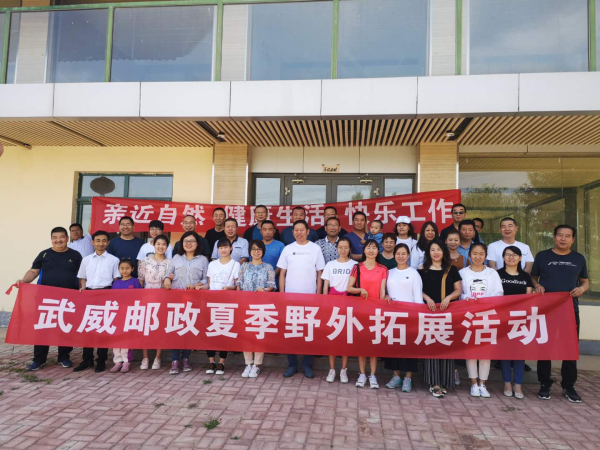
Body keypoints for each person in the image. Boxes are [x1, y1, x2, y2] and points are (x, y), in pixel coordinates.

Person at [531, 225, 589, 403]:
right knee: (545, 346)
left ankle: (568, 386)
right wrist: (537, 285)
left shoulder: (578, 258)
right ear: (554, 237)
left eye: (567, 236)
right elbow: (533, 277)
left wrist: (581, 289)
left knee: (569, 348)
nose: (563, 239)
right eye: (560, 235)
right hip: (546, 309)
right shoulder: (542, 256)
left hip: (569, 309)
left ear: (573, 239)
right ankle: (544, 383)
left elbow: (585, 281)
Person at [16, 227, 82, 371]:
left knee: (65, 327)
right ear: (51, 239)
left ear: (67, 238)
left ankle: (64, 357)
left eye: (62, 237)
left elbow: (82, 275)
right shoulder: (44, 254)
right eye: (55, 237)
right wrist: (24, 281)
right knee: (42, 328)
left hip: (68, 300)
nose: (58, 240)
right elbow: (33, 271)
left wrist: (82, 288)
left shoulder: (76, 255)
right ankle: (39, 359)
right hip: (45, 300)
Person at [277, 220, 325, 378]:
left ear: (307, 231)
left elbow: (319, 273)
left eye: (301, 230)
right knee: (291, 331)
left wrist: (318, 294)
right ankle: (292, 364)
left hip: (310, 296)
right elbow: (282, 273)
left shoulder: (315, 248)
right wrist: (282, 294)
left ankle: (307, 365)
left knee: (309, 331)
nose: (299, 233)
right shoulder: (288, 249)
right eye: (296, 230)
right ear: (292, 232)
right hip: (290, 297)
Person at [418, 239, 462, 398]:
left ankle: (444, 381)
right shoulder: (422, 270)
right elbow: (417, 289)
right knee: (431, 346)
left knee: (445, 345)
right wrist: (427, 298)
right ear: (428, 253)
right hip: (428, 313)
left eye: (439, 249)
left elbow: (458, 290)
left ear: (444, 252)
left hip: (447, 313)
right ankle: (434, 383)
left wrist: (448, 298)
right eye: (432, 250)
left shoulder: (451, 269)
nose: (436, 253)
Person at [459, 243, 504, 398]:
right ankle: (473, 383)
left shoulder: (492, 273)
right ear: (469, 255)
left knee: (485, 351)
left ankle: (483, 383)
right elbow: (459, 293)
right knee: (471, 351)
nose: (477, 257)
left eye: (481, 254)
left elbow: (499, 293)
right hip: (469, 317)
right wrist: (466, 297)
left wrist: (483, 300)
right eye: (474, 254)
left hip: (487, 316)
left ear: (485, 256)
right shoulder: (462, 273)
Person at [74, 230, 120, 373]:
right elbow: (82, 277)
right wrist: (83, 288)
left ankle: (101, 360)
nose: (101, 243)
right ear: (93, 242)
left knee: (103, 328)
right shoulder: (86, 259)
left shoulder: (114, 260)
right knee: (88, 328)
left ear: (108, 242)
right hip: (89, 294)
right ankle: (87, 359)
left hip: (106, 294)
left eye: (104, 240)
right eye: (98, 240)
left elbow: (116, 279)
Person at [164, 231, 209, 375]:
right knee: (175, 329)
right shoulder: (176, 258)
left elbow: (206, 280)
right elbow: (168, 274)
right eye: (186, 241)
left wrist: (198, 284)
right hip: (176, 300)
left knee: (189, 328)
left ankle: (186, 358)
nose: (189, 243)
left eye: (192, 241)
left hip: (194, 300)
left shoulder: (203, 260)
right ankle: (174, 360)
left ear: (197, 244)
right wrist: (167, 279)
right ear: (182, 243)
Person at [347, 239, 388, 389]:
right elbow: (349, 288)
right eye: (368, 248)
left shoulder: (383, 269)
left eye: (374, 248)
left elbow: (382, 291)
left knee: (373, 345)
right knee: (362, 344)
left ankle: (373, 375)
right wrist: (360, 290)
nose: (371, 250)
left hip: (376, 311)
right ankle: (362, 374)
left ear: (378, 251)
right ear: (364, 250)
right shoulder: (357, 267)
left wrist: (385, 299)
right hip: (360, 310)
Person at [384, 243, 423, 393]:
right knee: (393, 348)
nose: (400, 256)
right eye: (398, 253)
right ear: (394, 255)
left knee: (409, 348)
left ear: (408, 256)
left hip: (409, 316)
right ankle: (396, 376)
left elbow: (418, 297)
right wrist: (386, 296)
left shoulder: (414, 273)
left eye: (403, 254)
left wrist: (417, 316)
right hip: (392, 316)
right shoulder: (389, 272)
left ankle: (408, 378)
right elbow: (384, 292)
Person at [198, 238, 240, 375]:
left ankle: (222, 362)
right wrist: (200, 287)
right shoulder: (212, 264)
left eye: (226, 247)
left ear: (231, 248)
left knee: (224, 332)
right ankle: (211, 361)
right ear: (217, 249)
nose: (223, 250)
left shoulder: (236, 264)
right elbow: (209, 285)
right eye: (220, 248)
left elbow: (237, 286)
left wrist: (229, 288)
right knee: (210, 331)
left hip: (227, 302)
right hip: (211, 301)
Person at [497, 246, 533, 399]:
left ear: (520, 258)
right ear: (503, 257)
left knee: (519, 353)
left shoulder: (525, 276)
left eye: (514, 255)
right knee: (505, 353)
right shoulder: (497, 274)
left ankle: (518, 384)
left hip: (520, 319)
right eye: (507, 255)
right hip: (502, 319)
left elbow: (528, 298)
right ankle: (506, 383)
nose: (511, 257)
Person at [237, 240, 276, 379]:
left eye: (259, 249)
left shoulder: (268, 267)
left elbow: (272, 285)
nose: (256, 252)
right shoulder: (244, 266)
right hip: (245, 305)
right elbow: (239, 284)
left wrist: (264, 290)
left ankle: (257, 364)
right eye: (253, 249)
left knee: (259, 334)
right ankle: (248, 363)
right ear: (250, 251)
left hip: (261, 306)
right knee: (246, 334)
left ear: (263, 252)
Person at [321, 238, 357, 384]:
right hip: (332, 303)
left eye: (345, 247)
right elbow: (326, 285)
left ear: (350, 249)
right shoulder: (330, 264)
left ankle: (343, 370)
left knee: (345, 338)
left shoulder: (355, 265)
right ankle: (332, 369)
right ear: (336, 248)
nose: (343, 250)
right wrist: (325, 303)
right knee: (332, 337)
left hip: (348, 303)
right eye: (340, 247)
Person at [138, 234, 171, 370]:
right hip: (147, 297)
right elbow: (140, 280)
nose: (161, 246)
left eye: (164, 244)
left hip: (163, 298)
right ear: (154, 245)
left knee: (160, 327)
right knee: (145, 327)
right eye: (158, 244)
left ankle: (158, 357)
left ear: (167, 247)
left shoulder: (170, 262)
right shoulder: (145, 261)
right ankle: (145, 358)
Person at [109, 259, 142, 373]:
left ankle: (126, 361)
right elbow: (112, 298)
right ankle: (117, 361)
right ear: (118, 269)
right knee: (116, 337)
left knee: (126, 337)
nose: (124, 271)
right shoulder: (116, 283)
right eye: (122, 268)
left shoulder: (135, 282)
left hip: (129, 314)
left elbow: (140, 297)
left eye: (127, 268)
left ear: (132, 269)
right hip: (117, 314)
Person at [259, 220, 284, 289]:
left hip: (275, 283)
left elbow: (282, 264)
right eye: (265, 229)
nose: (267, 232)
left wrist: (272, 275)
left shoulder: (280, 245)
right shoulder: (256, 245)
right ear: (261, 231)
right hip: (258, 283)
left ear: (274, 231)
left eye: (270, 229)